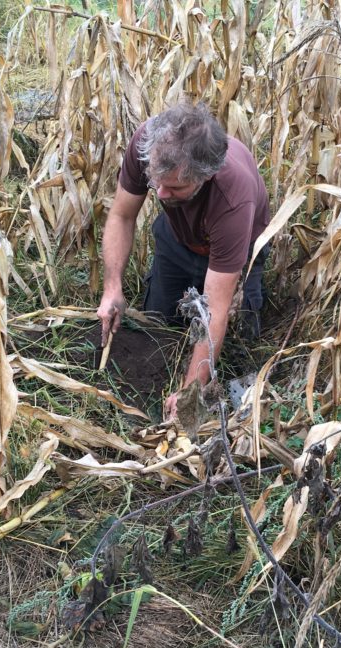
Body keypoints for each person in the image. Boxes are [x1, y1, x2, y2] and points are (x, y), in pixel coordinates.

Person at [96, 102, 270, 419]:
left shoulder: (232, 197)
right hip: (177, 237)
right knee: (157, 329)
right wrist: (112, 288)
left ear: (205, 177)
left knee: (241, 341)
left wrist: (189, 393)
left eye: (174, 186)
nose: (160, 195)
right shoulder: (149, 146)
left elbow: (214, 310)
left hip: (235, 248)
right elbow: (121, 215)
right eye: (155, 182)